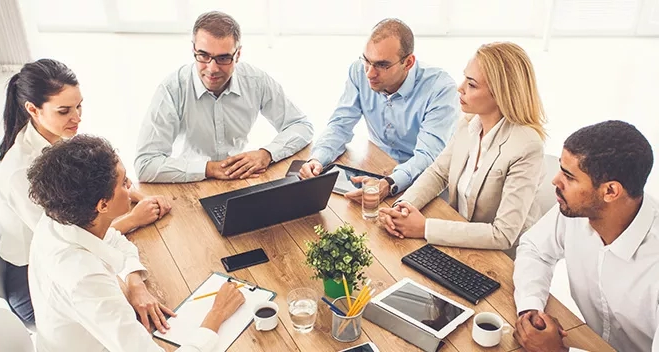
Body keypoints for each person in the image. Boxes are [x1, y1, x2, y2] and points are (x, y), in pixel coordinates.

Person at [0, 59, 171, 326]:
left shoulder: (59, 135)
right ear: (33, 109)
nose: (77, 118)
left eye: (79, 106)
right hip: (35, 280)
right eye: (65, 111)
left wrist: (140, 197)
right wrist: (134, 219)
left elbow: (99, 181)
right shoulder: (20, 172)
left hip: (69, 254)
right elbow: (68, 237)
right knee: (141, 308)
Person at [27, 134, 245, 351]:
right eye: (123, 183)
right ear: (102, 205)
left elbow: (116, 241)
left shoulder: (58, 216)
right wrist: (216, 316)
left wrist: (135, 284)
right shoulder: (85, 279)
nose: (131, 185)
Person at [378, 42, 546, 255]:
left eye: (472, 85)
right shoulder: (468, 123)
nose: (460, 87)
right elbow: (438, 173)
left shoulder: (526, 147)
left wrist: (424, 228)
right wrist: (403, 207)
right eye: (465, 78)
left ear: (501, 94)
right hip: (457, 244)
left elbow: (503, 234)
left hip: (502, 259)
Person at [512, 121, 657, 352]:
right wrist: (530, 307)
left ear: (610, 191)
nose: (555, 180)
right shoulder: (581, 212)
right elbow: (535, 249)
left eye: (569, 177)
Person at [134, 11, 313, 183]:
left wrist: (267, 153)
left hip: (241, 180)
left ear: (238, 55)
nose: (212, 69)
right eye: (203, 55)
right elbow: (145, 164)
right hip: (188, 183)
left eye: (223, 58)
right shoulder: (172, 89)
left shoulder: (256, 81)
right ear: (193, 50)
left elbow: (301, 126)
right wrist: (209, 168)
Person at [299, 18, 459, 203]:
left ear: (408, 63)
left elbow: (429, 156)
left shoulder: (440, 87)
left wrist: (389, 183)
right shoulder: (359, 71)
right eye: (367, 60)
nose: (369, 73)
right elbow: (340, 125)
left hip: (425, 179)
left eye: (382, 65)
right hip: (377, 167)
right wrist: (317, 159)